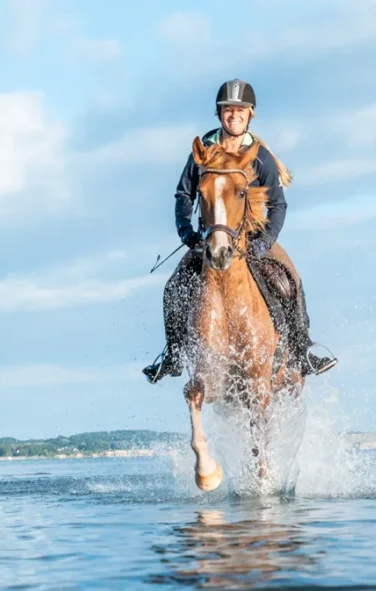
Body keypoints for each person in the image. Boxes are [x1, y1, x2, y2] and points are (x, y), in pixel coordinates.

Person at [143, 78, 338, 384]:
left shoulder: (259, 156)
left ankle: (302, 352)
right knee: (174, 286)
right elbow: (184, 194)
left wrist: (265, 242)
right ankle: (173, 354)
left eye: (240, 111)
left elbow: (278, 206)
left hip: (254, 235)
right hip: (211, 237)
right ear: (220, 114)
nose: (233, 115)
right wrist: (187, 233)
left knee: (290, 279)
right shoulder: (204, 149)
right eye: (228, 110)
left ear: (250, 115)